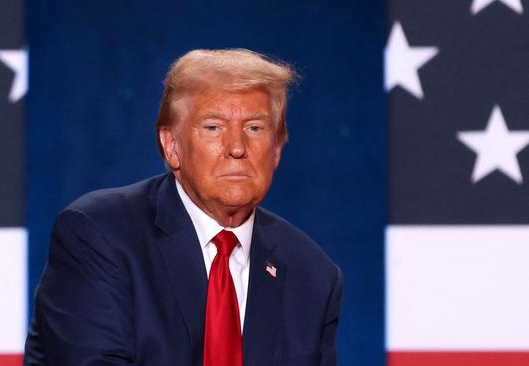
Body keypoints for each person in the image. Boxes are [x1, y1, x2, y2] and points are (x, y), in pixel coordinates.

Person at [24, 49, 343, 366]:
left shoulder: (312, 275)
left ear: (276, 149)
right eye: (213, 127)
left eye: (255, 128)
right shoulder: (100, 234)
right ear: (171, 146)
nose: (236, 147)